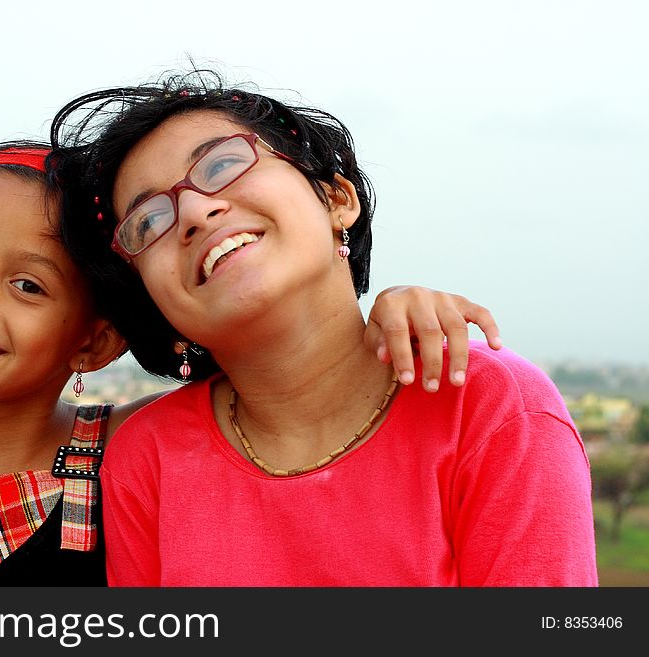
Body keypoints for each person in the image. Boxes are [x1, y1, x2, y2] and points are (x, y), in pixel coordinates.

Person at [0, 139, 500, 586]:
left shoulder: (135, 447)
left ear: (95, 341)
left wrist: (396, 306)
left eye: (29, 285)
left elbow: (294, 374)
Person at [48, 71, 598, 586]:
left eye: (220, 166)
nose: (193, 211)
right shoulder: (150, 456)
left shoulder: (480, 403)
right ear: (153, 298)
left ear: (337, 199)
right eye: (149, 221)